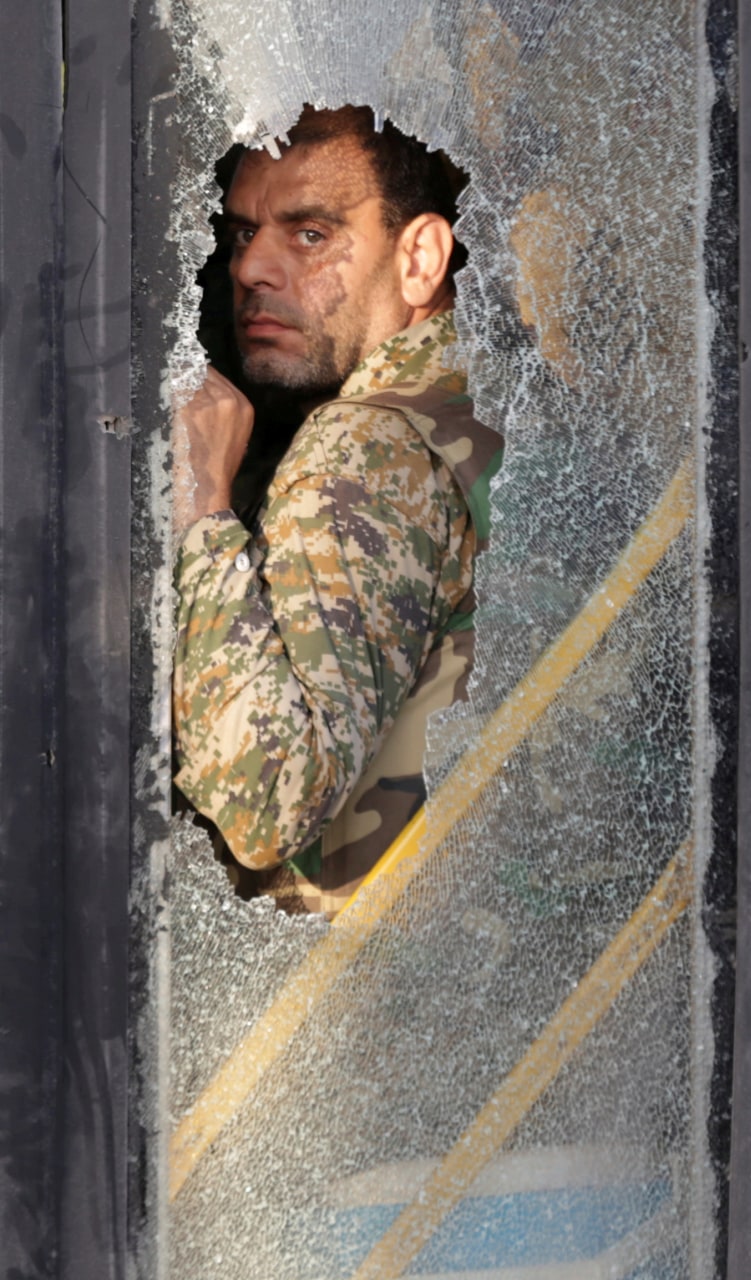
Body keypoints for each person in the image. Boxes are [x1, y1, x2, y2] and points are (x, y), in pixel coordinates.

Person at [172, 106, 502, 918]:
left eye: (310, 234)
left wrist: (202, 508)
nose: (252, 267)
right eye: (244, 232)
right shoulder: (472, 402)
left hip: (354, 991)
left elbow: (266, 802)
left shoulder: (364, 443)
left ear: (420, 257)